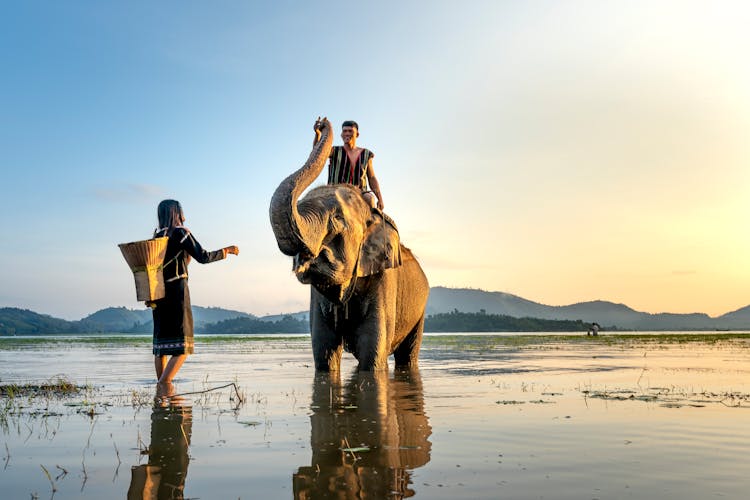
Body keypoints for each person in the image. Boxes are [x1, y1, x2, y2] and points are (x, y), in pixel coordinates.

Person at [149, 199, 239, 387]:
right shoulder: (180, 233)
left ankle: (162, 392)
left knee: (161, 347)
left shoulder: (155, 237)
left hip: (157, 294)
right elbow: (203, 256)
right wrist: (226, 251)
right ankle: (164, 385)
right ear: (176, 213)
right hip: (176, 292)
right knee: (182, 347)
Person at [314, 118, 385, 210]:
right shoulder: (334, 151)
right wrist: (318, 134)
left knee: (370, 199)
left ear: (357, 134)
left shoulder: (366, 154)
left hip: (359, 192)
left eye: (350, 131)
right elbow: (318, 151)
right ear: (341, 134)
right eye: (345, 131)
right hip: (335, 190)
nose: (347, 133)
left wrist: (380, 198)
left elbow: (371, 177)